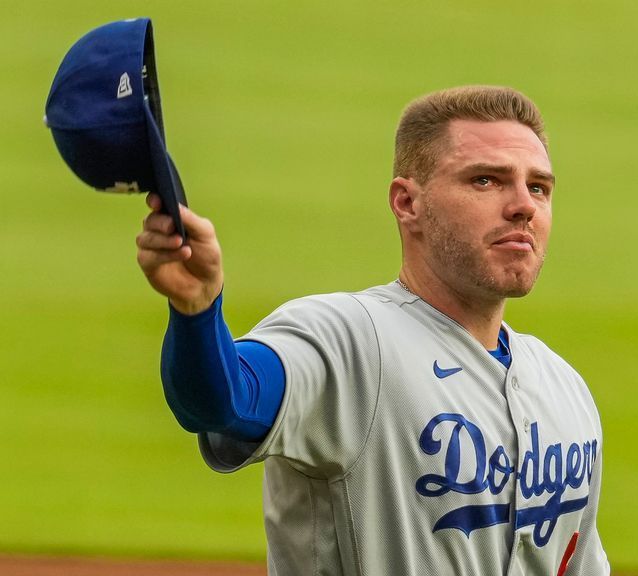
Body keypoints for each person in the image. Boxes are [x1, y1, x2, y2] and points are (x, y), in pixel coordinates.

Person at [136, 85, 609, 576]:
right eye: (486, 181)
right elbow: (221, 402)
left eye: (539, 187)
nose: (523, 207)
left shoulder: (564, 388)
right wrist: (197, 311)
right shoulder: (350, 342)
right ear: (407, 203)